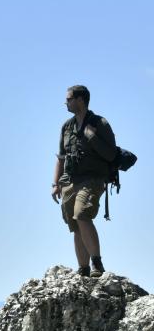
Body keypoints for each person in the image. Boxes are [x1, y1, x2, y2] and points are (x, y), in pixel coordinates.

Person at [52, 85, 116, 277]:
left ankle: (97, 263)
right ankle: (84, 269)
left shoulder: (100, 123)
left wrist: (92, 137)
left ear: (80, 100)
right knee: (75, 224)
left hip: (92, 179)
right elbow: (61, 158)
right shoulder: (67, 126)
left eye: (69, 99)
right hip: (70, 181)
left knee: (82, 215)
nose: (66, 102)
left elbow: (111, 154)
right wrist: (55, 184)